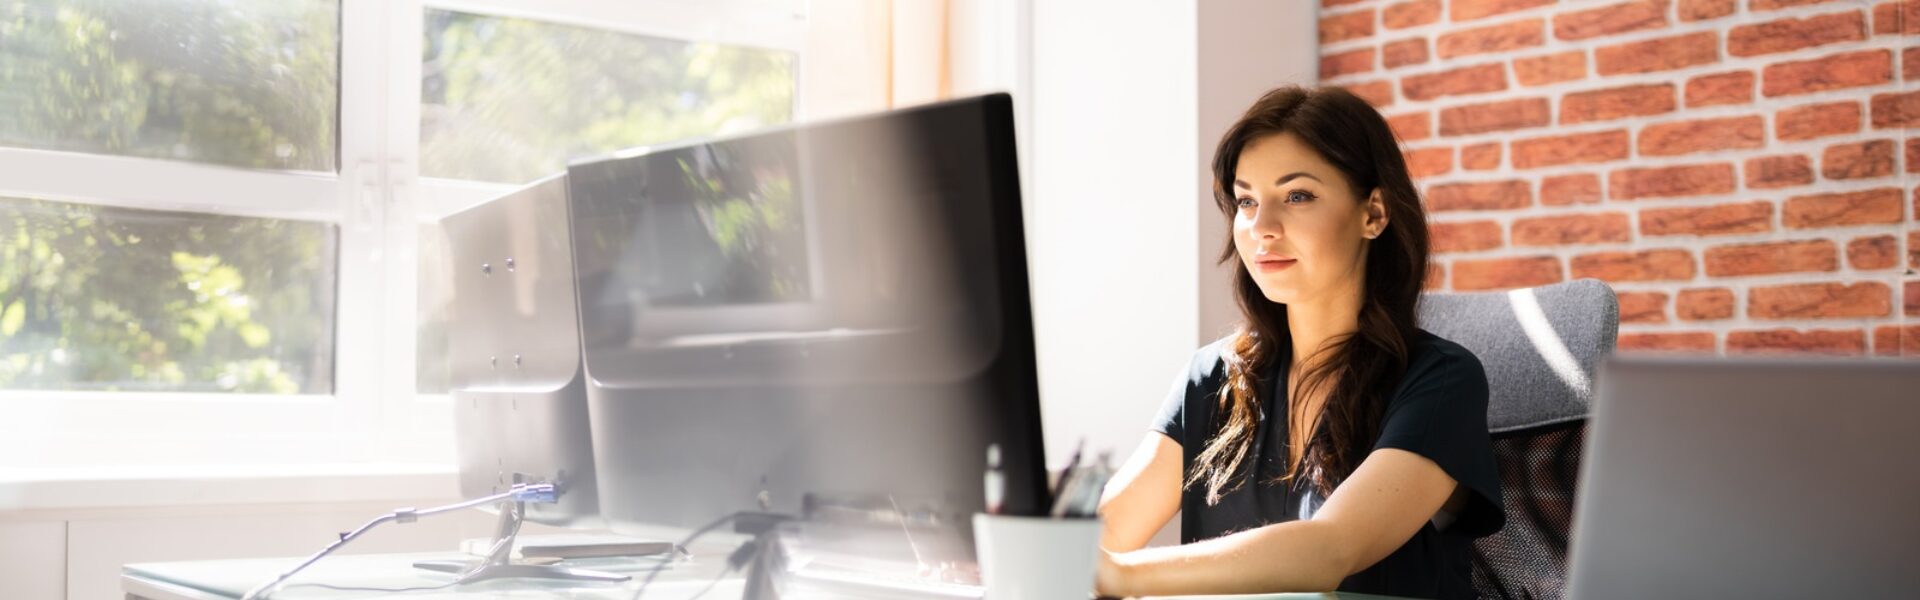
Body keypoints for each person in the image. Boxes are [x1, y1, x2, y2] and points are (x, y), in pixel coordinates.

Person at [1094, 85, 1504, 599]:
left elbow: (1329, 549)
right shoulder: (1213, 378)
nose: (1261, 227)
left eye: (1297, 196)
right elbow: (1102, 536)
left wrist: (1124, 576)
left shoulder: (1442, 381)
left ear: (1373, 213)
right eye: (1246, 200)